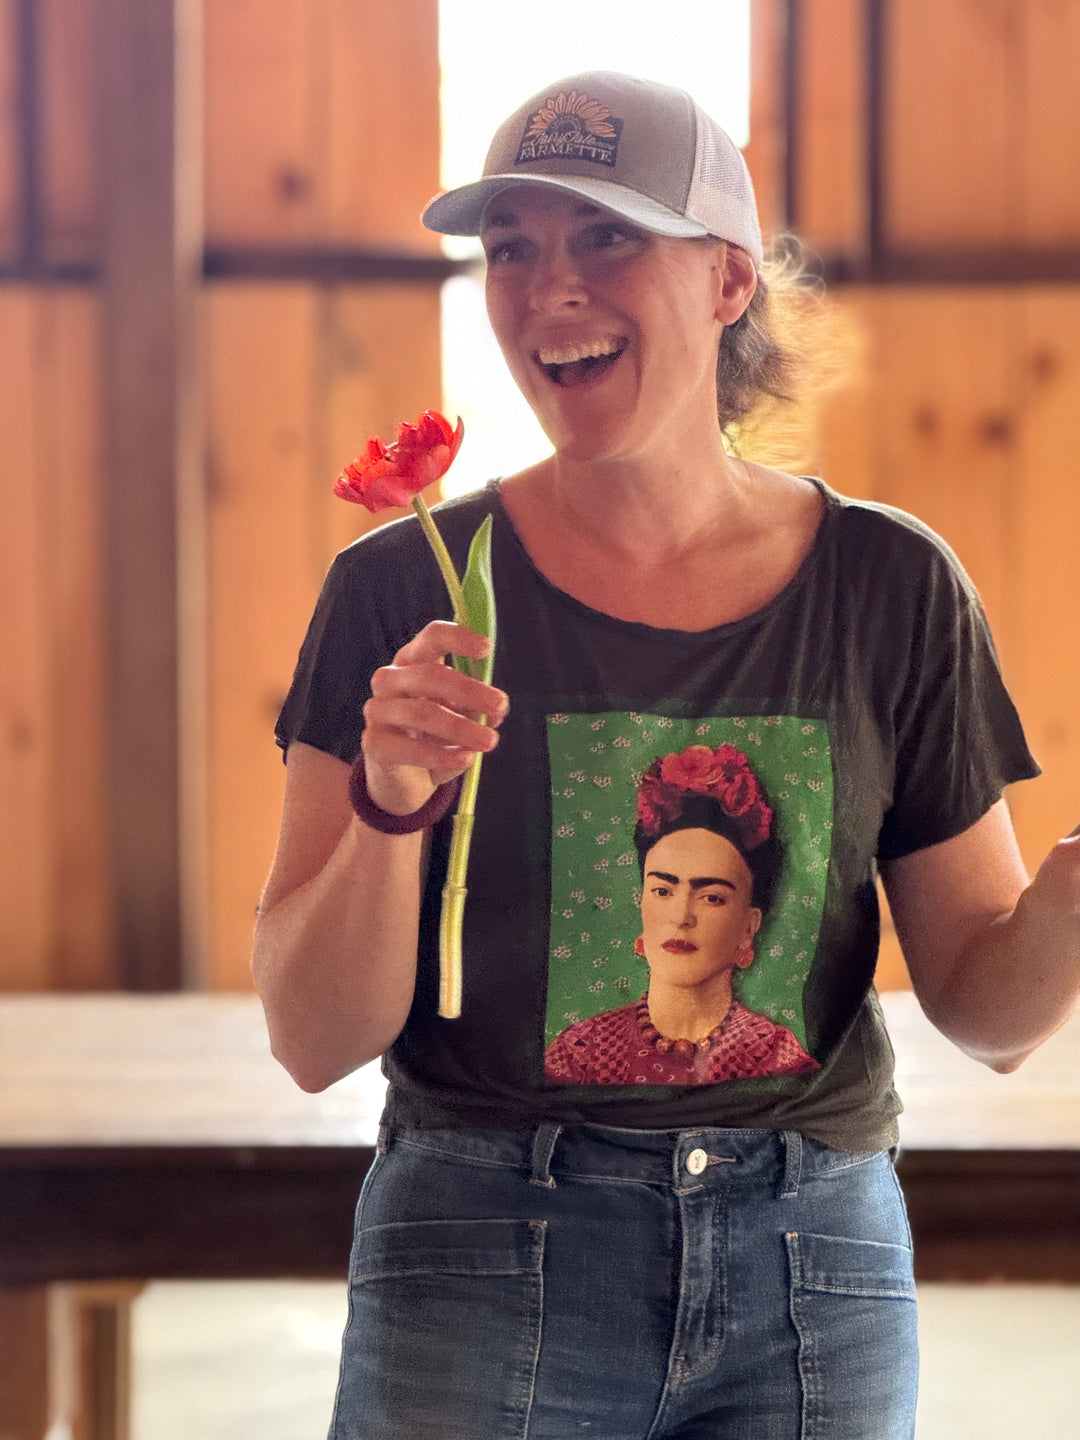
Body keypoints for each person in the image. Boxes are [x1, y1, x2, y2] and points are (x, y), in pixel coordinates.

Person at [252, 71, 1080, 1440]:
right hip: (478, 1243)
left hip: (814, 1265)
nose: (547, 287)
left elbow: (989, 1013)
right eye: (511, 248)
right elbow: (311, 1039)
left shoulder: (892, 586)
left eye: (606, 237)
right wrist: (392, 805)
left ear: (729, 280)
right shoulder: (398, 590)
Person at [545, 741, 820, 1083]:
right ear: (642, 900)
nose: (681, 916)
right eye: (662, 890)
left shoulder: (778, 1058)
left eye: (712, 898)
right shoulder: (579, 1054)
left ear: (749, 926)